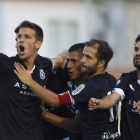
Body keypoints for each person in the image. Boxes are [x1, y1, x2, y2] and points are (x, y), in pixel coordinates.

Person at [14, 39, 120, 140]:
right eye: (83, 56)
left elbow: (56, 100)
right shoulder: (110, 79)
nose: (83, 61)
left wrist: (29, 81)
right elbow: (77, 124)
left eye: (88, 57)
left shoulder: (91, 86)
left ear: (101, 63)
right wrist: (60, 57)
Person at [0, 20, 63, 140]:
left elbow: (58, 60)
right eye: (19, 37)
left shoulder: (44, 65)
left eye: (27, 37)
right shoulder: (5, 64)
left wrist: (64, 54)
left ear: (38, 44)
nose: (21, 40)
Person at [88, 34, 140, 140]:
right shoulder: (127, 79)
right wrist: (99, 103)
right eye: (136, 49)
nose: (138, 53)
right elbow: (113, 97)